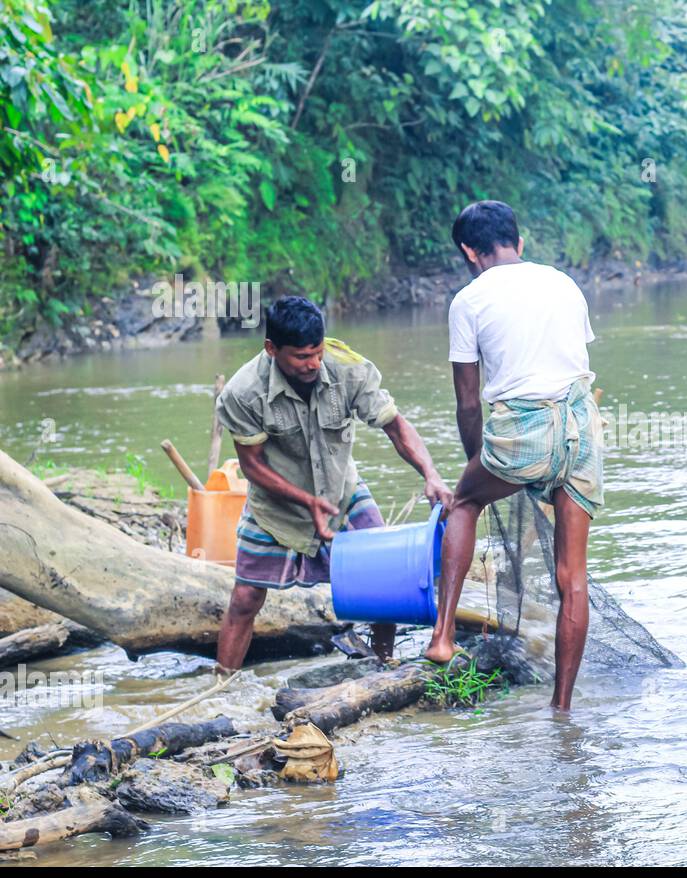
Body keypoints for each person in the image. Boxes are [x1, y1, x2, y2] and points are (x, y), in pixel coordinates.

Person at [425, 200, 603, 711]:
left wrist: (475, 462)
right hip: (580, 428)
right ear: (518, 242)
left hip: (523, 431)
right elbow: (572, 363)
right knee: (573, 578)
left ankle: (441, 637)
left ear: (468, 252)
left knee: (462, 503)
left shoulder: (468, 300)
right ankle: (562, 708)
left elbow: (467, 401)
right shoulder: (563, 283)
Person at [213, 295, 453, 673]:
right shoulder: (244, 393)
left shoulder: (349, 371)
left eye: (318, 352)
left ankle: (382, 665)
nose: (313, 364)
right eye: (301, 356)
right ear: (271, 349)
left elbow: (396, 426)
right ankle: (221, 686)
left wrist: (431, 474)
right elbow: (253, 467)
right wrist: (305, 502)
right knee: (244, 598)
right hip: (275, 507)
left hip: (343, 491)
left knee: (384, 582)